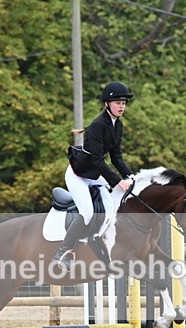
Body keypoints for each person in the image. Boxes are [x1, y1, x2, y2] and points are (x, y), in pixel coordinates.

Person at [53, 81, 135, 271]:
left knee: (111, 207)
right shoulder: (98, 125)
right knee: (88, 212)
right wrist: (117, 181)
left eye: (123, 103)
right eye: (117, 103)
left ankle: (99, 243)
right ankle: (62, 253)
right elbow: (98, 160)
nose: (121, 106)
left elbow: (116, 157)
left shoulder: (118, 125)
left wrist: (131, 176)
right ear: (107, 104)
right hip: (79, 174)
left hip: (95, 173)